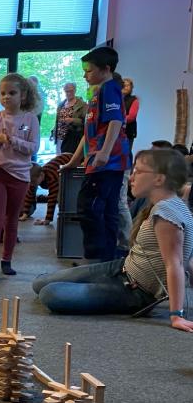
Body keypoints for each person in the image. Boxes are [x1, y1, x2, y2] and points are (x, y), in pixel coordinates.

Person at [34, 149, 193, 332]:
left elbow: (176, 264)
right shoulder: (169, 205)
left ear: (159, 179)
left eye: (138, 171)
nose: (132, 177)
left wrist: (176, 315)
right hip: (122, 268)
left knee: (50, 293)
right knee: (39, 284)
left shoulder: (167, 214)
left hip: (135, 291)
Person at [62, 47, 131, 263]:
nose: (85, 75)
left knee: (90, 207)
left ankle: (96, 259)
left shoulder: (110, 88)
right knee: (105, 209)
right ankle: (105, 260)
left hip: (107, 163)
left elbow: (115, 121)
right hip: (98, 161)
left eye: (89, 71)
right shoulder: (96, 93)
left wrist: (104, 152)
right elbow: (88, 131)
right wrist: (74, 161)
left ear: (106, 69)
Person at [0, 72, 41, 275]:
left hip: (19, 177)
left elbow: (33, 148)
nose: (6, 97)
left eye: (11, 93)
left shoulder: (30, 119)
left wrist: (14, 141)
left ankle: (7, 260)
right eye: (3, 93)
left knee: (11, 220)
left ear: (22, 95)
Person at [20, 153, 73, 225]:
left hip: (70, 161)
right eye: (30, 182)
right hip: (61, 162)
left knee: (61, 197)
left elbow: (52, 198)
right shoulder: (34, 179)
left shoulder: (51, 178)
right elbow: (29, 195)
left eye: (33, 182)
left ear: (41, 175)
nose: (32, 184)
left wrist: (47, 219)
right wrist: (25, 214)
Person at [52, 82, 86, 154]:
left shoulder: (82, 104)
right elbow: (57, 121)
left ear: (75, 90)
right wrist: (53, 131)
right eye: (67, 91)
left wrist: (72, 120)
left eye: (71, 91)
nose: (69, 93)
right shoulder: (61, 104)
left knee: (68, 159)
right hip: (60, 137)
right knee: (59, 159)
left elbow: (85, 121)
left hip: (73, 138)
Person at [122, 77, 139, 149]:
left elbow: (132, 117)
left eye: (128, 85)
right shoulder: (117, 98)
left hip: (128, 132)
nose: (125, 87)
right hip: (116, 131)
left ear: (131, 87)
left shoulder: (134, 100)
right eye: (124, 85)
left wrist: (118, 120)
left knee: (126, 153)